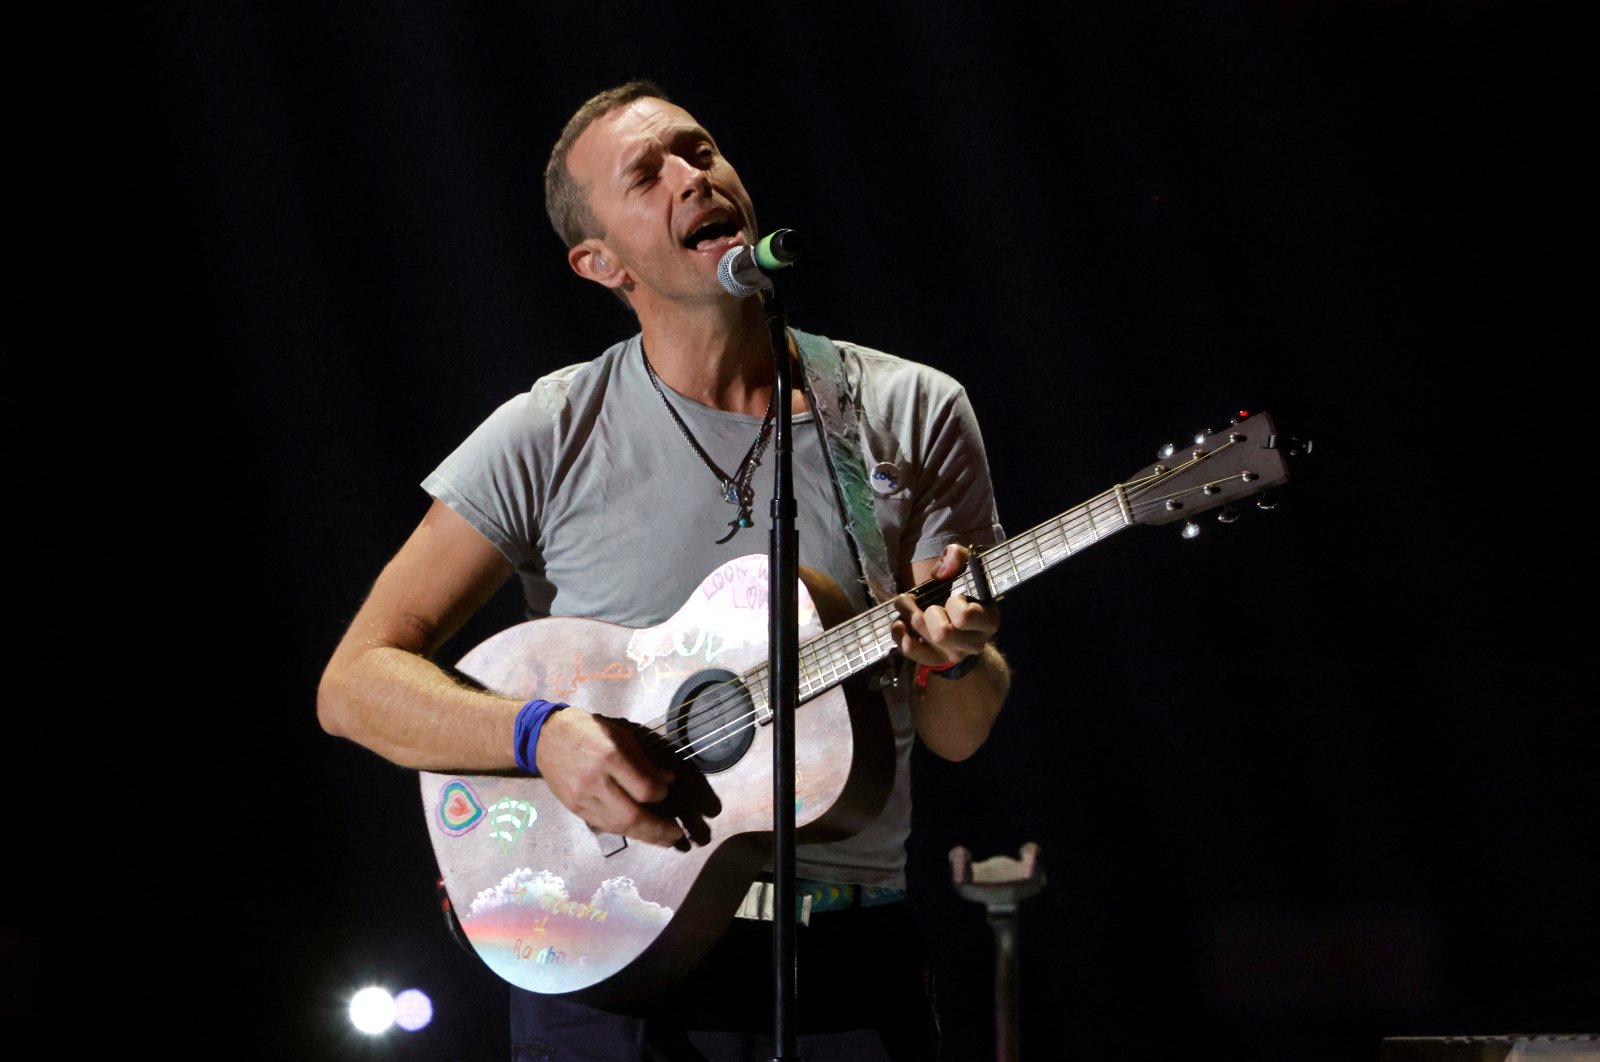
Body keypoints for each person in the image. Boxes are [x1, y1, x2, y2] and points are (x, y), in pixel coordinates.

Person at [318, 80, 1010, 1060]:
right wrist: (540, 733)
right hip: (604, 961)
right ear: (599, 263)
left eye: (700, 151)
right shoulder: (548, 431)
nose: (694, 177)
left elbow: (957, 733)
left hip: (848, 956)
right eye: (649, 174)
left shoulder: (908, 410)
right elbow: (352, 686)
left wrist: (952, 659)